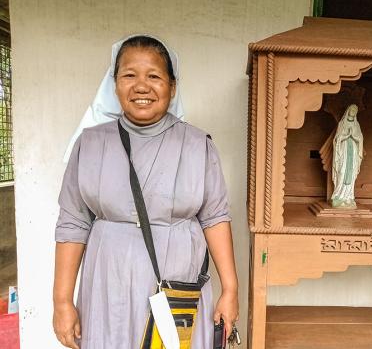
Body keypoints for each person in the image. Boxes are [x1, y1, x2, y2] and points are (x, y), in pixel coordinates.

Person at [52, 35, 238, 349]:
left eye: (153, 76)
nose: (141, 86)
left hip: (178, 286)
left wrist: (230, 290)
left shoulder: (197, 145)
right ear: (114, 84)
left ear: (172, 86)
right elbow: (73, 223)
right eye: (129, 75)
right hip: (108, 283)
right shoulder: (91, 143)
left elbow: (215, 218)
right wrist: (62, 301)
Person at [331, 104, 364, 208]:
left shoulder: (356, 125)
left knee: (351, 172)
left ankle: (349, 197)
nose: (353, 111)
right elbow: (337, 138)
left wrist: (354, 136)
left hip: (353, 151)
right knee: (342, 171)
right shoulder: (342, 123)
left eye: (355, 110)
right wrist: (345, 136)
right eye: (352, 109)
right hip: (343, 151)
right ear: (348, 110)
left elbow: (360, 138)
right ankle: (338, 196)